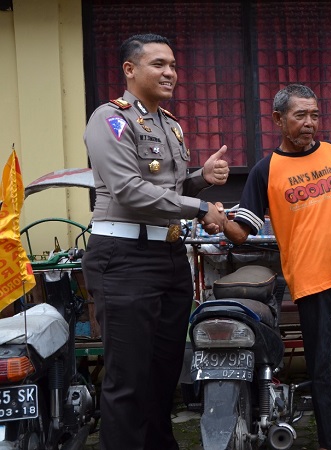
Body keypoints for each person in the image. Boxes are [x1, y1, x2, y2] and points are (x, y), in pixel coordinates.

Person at [218, 84, 331, 450]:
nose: (310, 123)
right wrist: (217, 219)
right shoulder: (265, 171)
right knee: (319, 367)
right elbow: (240, 232)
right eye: (300, 116)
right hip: (310, 278)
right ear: (279, 119)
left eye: (314, 115)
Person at [81, 33, 229, 450]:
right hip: (124, 259)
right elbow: (128, 190)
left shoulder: (170, 124)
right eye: (158, 64)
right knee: (127, 378)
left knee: (164, 372)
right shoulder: (110, 120)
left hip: (168, 256)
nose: (170, 73)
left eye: (173, 66)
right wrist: (199, 207)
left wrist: (203, 178)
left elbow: (172, 186)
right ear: (130, 70)